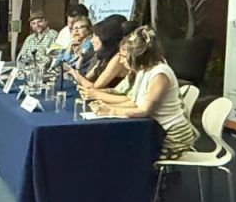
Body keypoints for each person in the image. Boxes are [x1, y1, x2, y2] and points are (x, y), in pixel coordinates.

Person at [82, 26, 198, 160]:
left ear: (136, 56)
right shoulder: (143, 71)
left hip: (172, 139)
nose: (121, 61)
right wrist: (104, 106)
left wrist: (110, 111)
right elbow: (134, 101)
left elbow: (144, 110)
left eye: (124, 57)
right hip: (155, 131)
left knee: (123, 156)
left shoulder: (159, 74)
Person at [70, 17, 127, 90]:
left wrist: (73, 72)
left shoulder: (118, 58)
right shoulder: (103, 56)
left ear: (105, 38)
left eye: (95, 37)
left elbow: (94, 87)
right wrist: (76, 68)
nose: (91, 41)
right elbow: (87, 78)